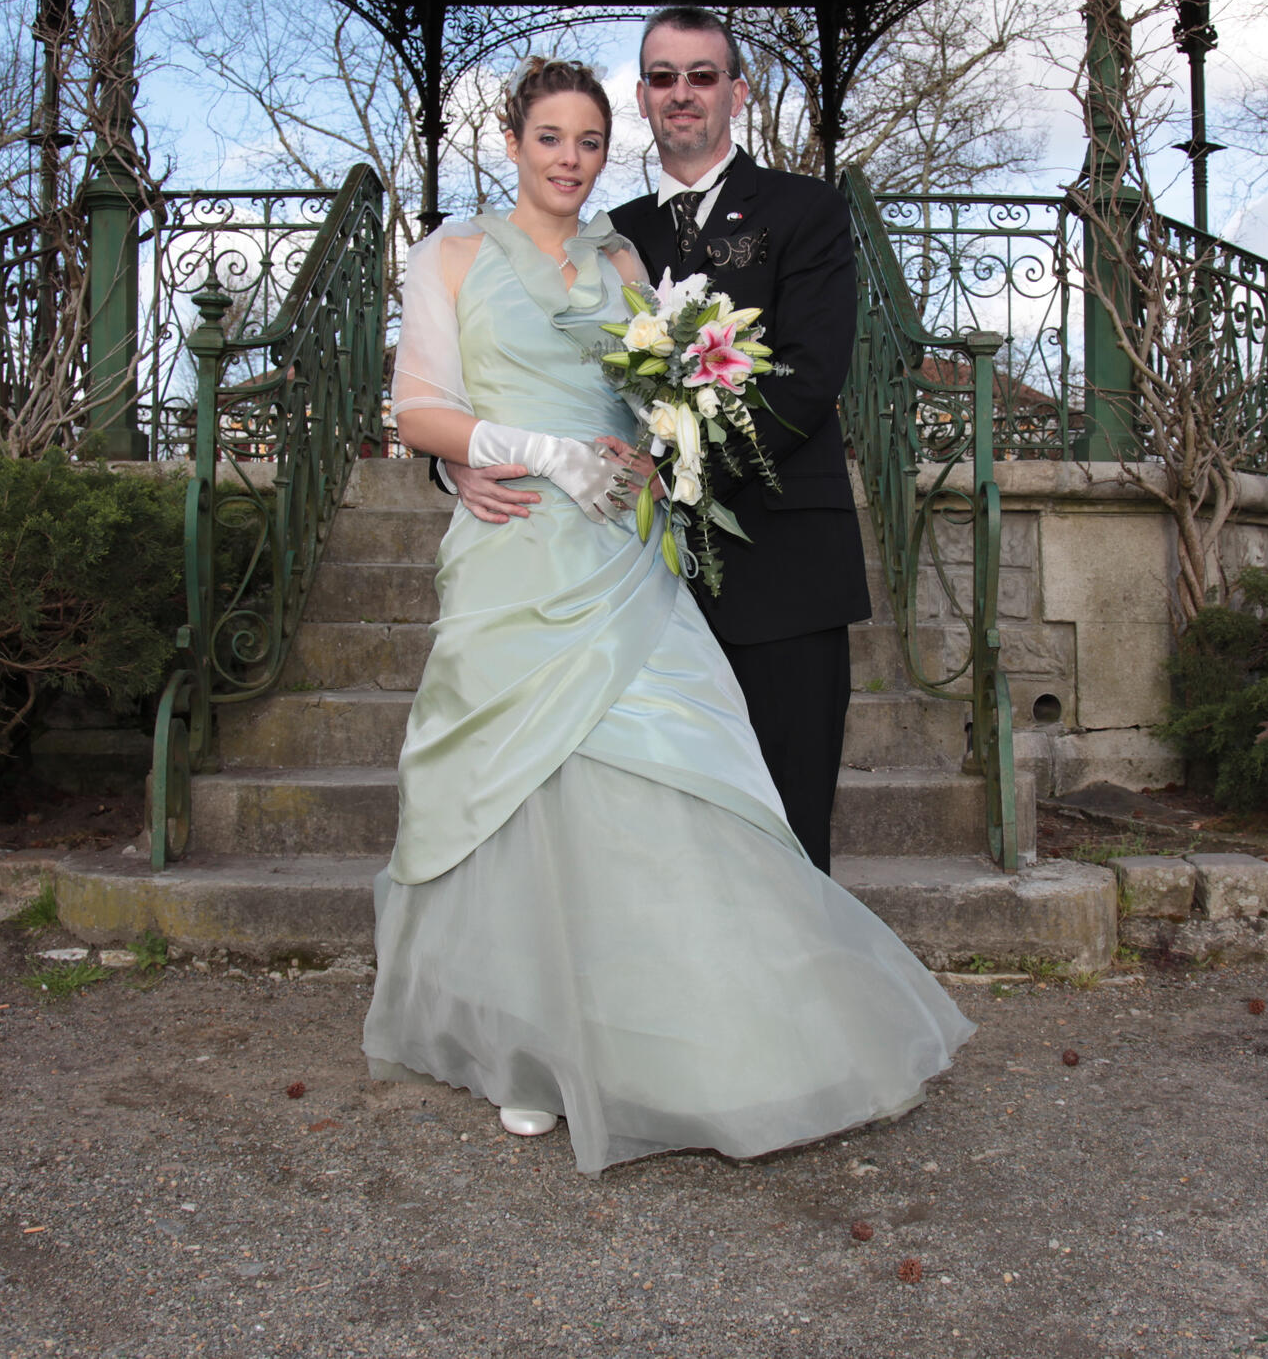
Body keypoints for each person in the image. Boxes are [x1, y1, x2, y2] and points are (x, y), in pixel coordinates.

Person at [366, 57, 970, 1175]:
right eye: (550, 137)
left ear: (610, 150)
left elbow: (666, 391)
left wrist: (662, 450)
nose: (568, 158)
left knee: (672, 784)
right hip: (516, 552)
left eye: (588, 142)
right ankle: (532, 1052)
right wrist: (508, 457)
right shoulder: (449, 255)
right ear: (513, 141)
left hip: (624, 552)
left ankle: (688, 1038)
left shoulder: (628, 257)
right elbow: (419, 406)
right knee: (522, 799)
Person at [446, 6, 868, 874]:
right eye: (664, 77)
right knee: (659, 840)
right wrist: (455, 456)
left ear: (737, 93)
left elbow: (812, 373)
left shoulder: (808, 211)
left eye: (703, 75)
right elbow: (520, 361)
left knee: (788, 817)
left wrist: (677, 463)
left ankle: (790, 1002)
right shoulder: (607, 233)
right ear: (642, 97)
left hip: (781, 561)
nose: (684, 94)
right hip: (625, 578)